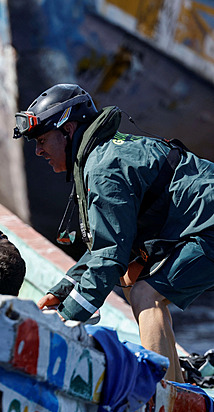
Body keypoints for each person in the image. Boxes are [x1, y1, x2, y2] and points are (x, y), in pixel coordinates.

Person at [15, 83, 214, 382]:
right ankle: (176, 384)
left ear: (69, 130)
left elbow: (109, 259)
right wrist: (61, 291)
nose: (38, 150)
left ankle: (167, 400)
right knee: (131, 277)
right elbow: (108, 245)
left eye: (42, 139)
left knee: (147, 295)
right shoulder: (105, 153)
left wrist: (65, 318)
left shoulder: (102, 170)